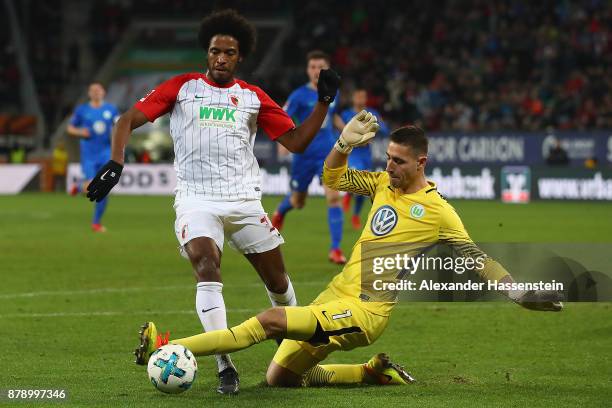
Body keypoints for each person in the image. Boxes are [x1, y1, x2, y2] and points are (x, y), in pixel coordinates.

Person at [135, 111, 563, 389]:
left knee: (269, 320)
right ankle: (372, 372)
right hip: (336, 294)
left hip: (365, 312)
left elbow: (477, 259)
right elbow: (333, 179)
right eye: (389, 158)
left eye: (398, 161)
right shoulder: (380, 185)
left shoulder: (438, 212)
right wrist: (343, 144)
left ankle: (169, 346)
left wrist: (518, 291)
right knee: (279, 378)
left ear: (421, 163)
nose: (389, 166)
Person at [85, 9, 340, 394]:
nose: (221, 57)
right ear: (207, 53)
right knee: (206, 263)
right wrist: (116, 163)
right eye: (215, 51)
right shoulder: (182, 87)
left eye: (229, 52)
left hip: (244, 201)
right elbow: (125, 121)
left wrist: (323, 102)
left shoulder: (253, 98)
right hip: (196, 200)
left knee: (278, 281)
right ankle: (225, 363)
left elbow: (297, 142)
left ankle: (293, 349)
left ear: (240, 57)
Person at [271, 51, 348, 265]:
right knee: (298, 201)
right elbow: (282, 116)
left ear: (327, 68)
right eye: (312, 67)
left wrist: (349, 131)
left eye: (320, 66)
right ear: (307, 70)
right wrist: (284, 141)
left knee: (334, 198)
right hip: (304, 156)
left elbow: (333, 117)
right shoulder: (298, 95)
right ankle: (280, 211)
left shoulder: (334, 91)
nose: (316, 71)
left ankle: (335, 249)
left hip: (328, 154)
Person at [67, 82, 119, 232]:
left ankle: (96, 222)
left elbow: (119, 125)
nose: (96, 92)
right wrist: (80, 132)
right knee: (90, 186)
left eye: (99, 90)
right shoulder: (82, 110)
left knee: (104, 187)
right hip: (88, 155)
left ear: (103, 92)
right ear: (89, 93)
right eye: (93, 90)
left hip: (105, 153)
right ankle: (78, 187)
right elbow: (70, 128)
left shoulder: (111, 109)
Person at [339, 88, 389, 230]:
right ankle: (349, 194)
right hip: (351, 153)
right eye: (358, 96)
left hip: (365, 155)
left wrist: (373, 128)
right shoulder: (346, 114)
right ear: (353, 98)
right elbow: (337, 129)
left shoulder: (372, 113)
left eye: (363, 96)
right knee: (358, 175)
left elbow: (384, 129)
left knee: (364, 189)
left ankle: (355, 215)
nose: (360, 99)